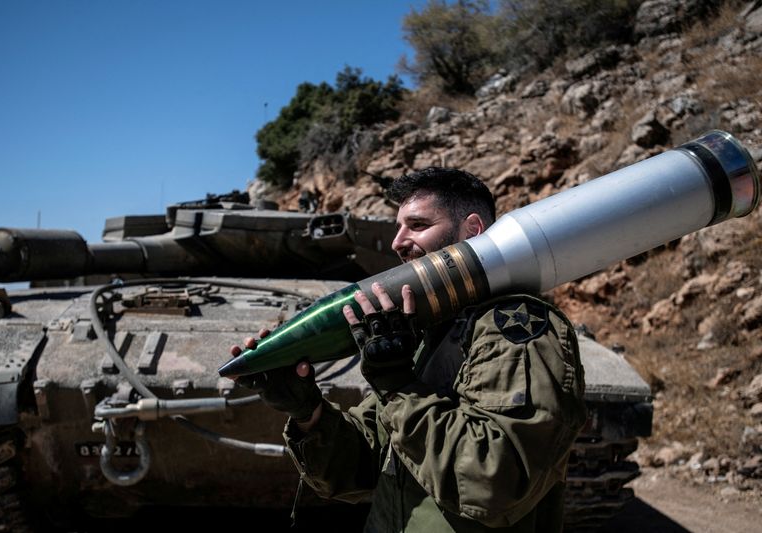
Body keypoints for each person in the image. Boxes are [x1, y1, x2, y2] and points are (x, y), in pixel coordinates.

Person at [229, 167, 587, 532]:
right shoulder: (429, 330)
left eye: (417, 225)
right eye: (398, 227)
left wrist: (398, 385)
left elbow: (492, 485)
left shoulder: (515, 328)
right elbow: (361, 470)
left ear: (473, 229)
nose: (397, 242)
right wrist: (309, 413)